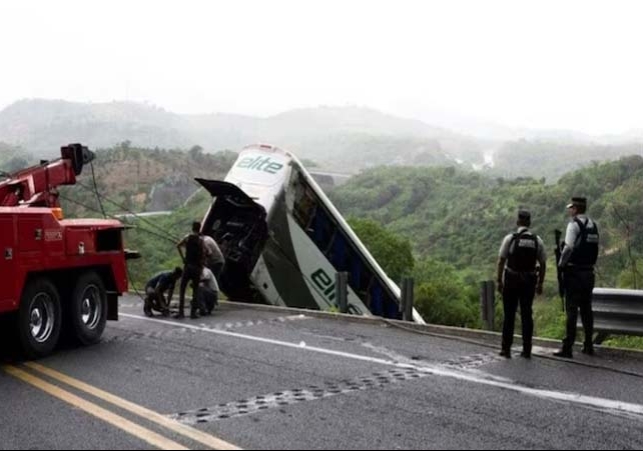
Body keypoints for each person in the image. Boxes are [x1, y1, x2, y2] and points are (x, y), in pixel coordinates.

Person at [497, 210, 547, 359]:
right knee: (527, 315)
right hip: (529, 281)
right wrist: (540, 283)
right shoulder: (537, 240)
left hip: (511, 280)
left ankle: (506, 349)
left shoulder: (510, 239)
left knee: (509, 315)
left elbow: (501, 261)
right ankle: (526, 350)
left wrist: (499, 281)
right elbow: (543, 264)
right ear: (529, 223)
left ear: (518, 222)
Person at [554, 197, 599, 359]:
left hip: (574, 273)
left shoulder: (573, 225)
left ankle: (567, 347)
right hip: (589, 273)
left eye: (571, 208)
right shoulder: (592, 225)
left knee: (572, 310)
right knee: (587, 310)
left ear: (576, 209)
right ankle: (588, 345)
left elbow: (568, 248)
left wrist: (560, 264)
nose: (569, 210)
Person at [176, 221, 205, 319]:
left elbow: (178, 246)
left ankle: (181, 312)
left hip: (188, 267)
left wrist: (183, 258)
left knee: (182, 289)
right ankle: (193, 313)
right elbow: (204, 254)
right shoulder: (201, 240)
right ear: (199, 228)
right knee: (195, 291)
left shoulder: (187, 237)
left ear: (192, 228)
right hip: (197, 268)